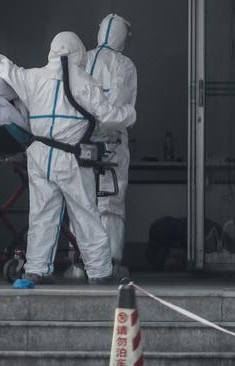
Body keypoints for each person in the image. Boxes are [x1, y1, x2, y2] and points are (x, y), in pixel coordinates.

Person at [0, 31, 136, 285]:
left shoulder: (33, 76)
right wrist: (130, 113)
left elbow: (9, 70)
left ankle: (36, 269)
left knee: (42, 215)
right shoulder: (85, 82)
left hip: (40, 155)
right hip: (71, 157)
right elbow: (109, 116)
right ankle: (99, 271)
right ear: (78, 52)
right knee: (85, 213)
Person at [86, 14, 138, 278]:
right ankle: (110, 260)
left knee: (83, 200)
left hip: (80, 142)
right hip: (112, 143)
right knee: (111, 202)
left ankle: (82, 259)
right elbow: (118, 105)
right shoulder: (124, 65)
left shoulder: (82, 60)